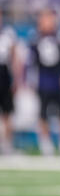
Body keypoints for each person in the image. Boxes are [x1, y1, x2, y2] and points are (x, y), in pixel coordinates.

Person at [28, 9, 60, 156]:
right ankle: (45, 143)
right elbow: (31, 63)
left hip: (58, 80)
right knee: (43, 113)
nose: (49, 22)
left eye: (50, 19)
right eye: (45, 19)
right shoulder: (35, 39)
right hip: (43, 80)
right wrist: (30, 80)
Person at [0, 11, 22, 155]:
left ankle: (7, 145)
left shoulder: (8, 34)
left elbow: (15, 58)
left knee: (7, 112)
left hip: (4, 73)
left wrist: (17, 79)